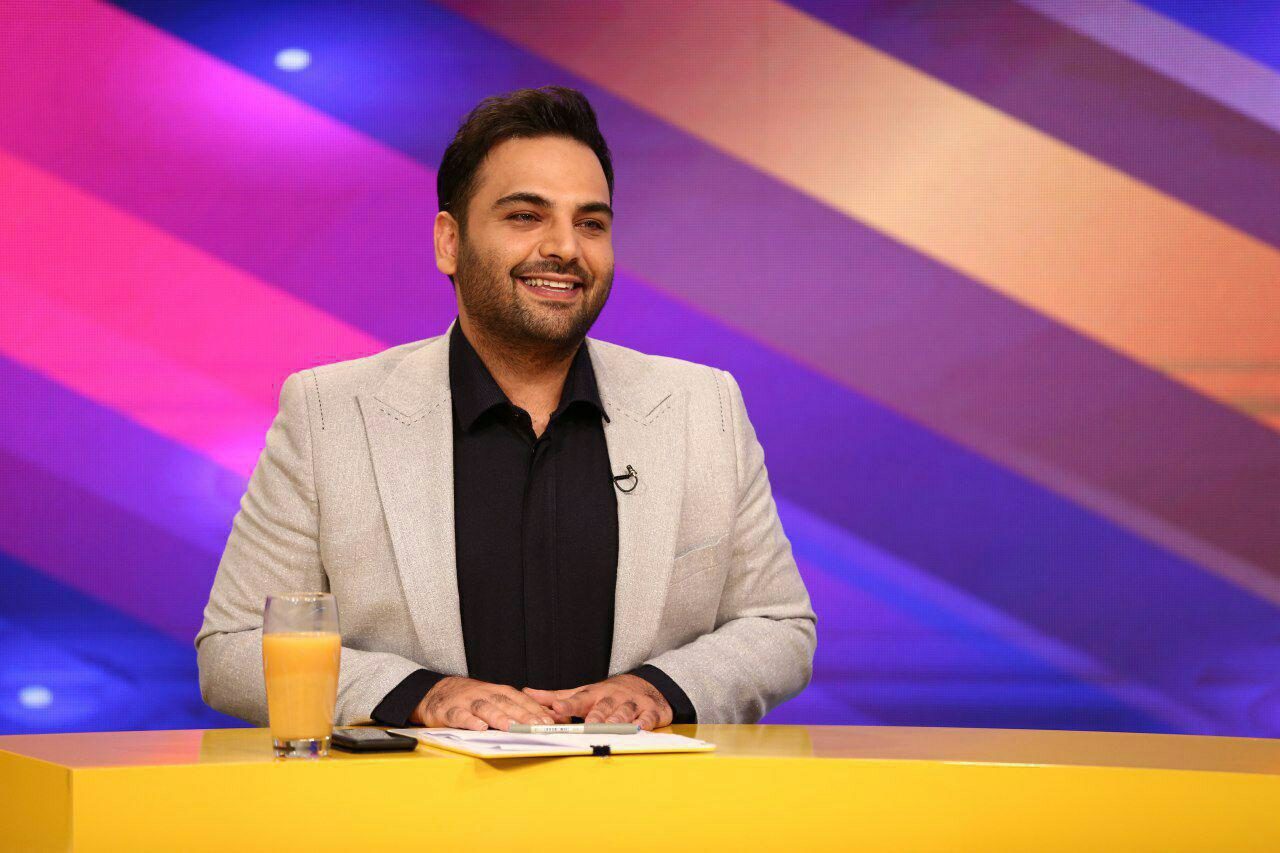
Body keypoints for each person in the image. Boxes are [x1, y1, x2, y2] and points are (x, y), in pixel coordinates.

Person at [197, 86, 815, 731]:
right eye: (525, 216)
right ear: (449, 242)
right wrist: (420, 696)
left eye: (591, 223)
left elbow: (776, 625)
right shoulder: (329, 413)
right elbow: (235, 648)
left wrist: (659, 690)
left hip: (641, 791)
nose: (566, 248)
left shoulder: (703, 406)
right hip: (419, 795)